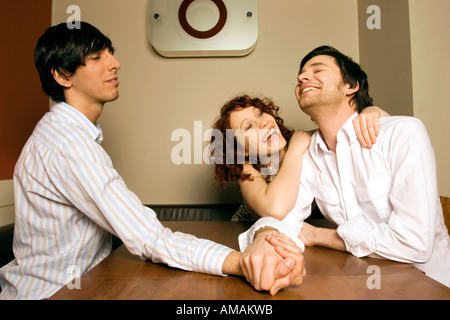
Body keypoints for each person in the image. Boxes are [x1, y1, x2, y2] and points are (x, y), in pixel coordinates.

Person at [0, 22, 304, 299]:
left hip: (90, 284)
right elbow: (148, 238)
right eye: (96, 57)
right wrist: (244, 262)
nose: (115, 63)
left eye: (111, 53)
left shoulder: (72, 137)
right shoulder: (66, 144)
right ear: (62, 75)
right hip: (50, 294)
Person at [239, 45, 450, 287]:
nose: (302, 77)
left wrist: (323, 236)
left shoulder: (403, 134)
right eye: (300, 75)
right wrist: (264, 235)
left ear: (351, 86)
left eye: (317, 70)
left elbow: (415, 245)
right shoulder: (308, 154)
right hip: (358, 282)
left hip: (430, 286)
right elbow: (287, 219)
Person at [210, 95, 387, 225]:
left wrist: (372, 111)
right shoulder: (246, 169)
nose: (264, 123)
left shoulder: (305, 140)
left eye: (261, 114)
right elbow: (275, 210)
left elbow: (353, 129)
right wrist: (295, 150)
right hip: (248, 235)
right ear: (242, 150)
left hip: (296, 236)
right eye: (248, 126)